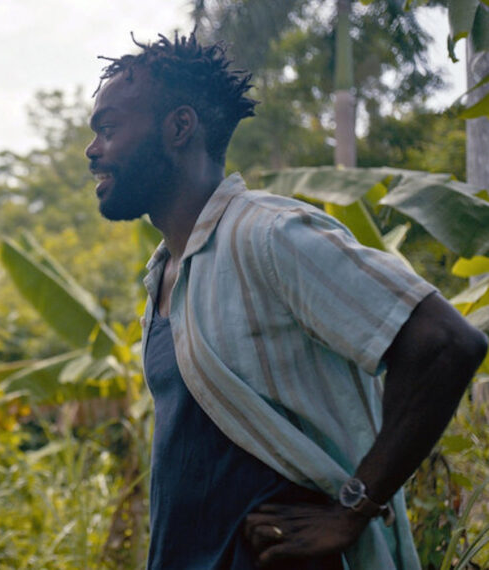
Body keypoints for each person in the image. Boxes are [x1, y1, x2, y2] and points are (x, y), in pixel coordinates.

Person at [84, 32, 487, 569]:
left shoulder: (268, 235)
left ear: (179, 127)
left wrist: (353, 509)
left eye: (108, 130)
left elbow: (445, 342)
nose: (93, 150)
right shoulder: (164, 273)